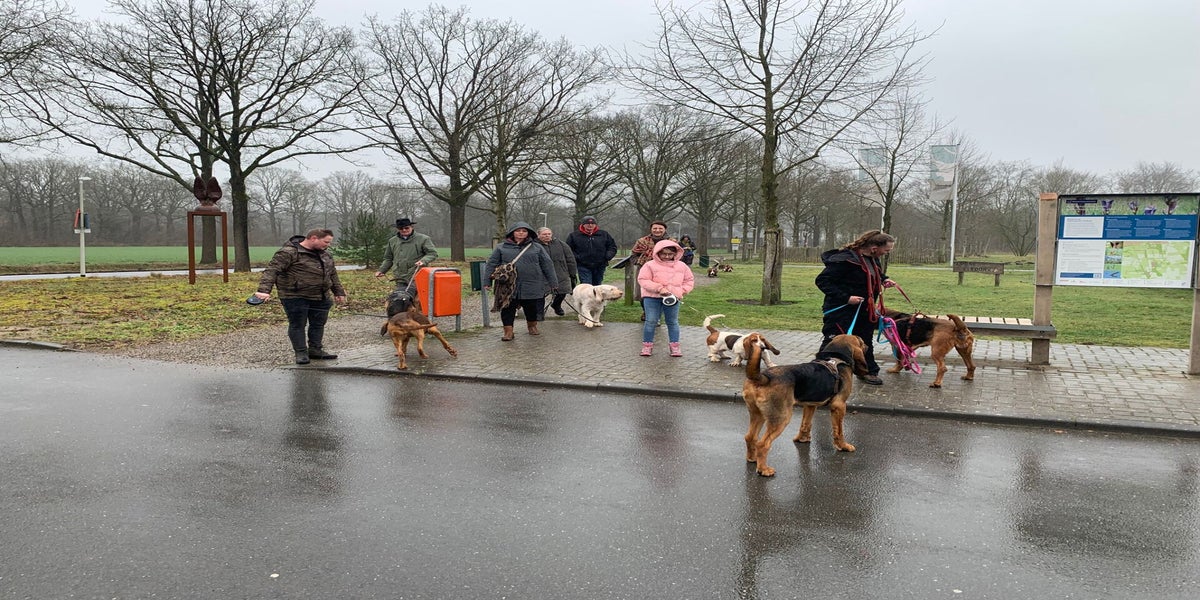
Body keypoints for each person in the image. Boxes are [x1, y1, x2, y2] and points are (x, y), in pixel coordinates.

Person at [814, 230, 898, 385]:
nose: (887, 253)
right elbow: (822, 281)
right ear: (874, 248)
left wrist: (884, 280)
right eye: (886, 250)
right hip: (841, 311)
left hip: (865, 310)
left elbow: (875, 274)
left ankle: (866, 371)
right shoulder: (844, 260)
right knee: (834, 341)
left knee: (865, 341)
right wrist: (847, 298)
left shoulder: (873, 258)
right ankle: (820, 372)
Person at [254, 228, 348, 365]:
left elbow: (332, 274)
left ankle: (315, 350)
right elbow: (272, 271)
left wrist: (338, 292)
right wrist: (264, 290)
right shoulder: (289, 252)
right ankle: (301, 353)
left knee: (318, 324)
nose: (328, 245)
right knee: (298, 324)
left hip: (321, 296)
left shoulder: (325, 254)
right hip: (295, 296)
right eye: (326, 242)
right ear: (314, 238)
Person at [483, 222, 559, 341]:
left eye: (524, 231)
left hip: (532, 283)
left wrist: (553, 282)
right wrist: (487, 281)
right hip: (508, 284)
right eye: (518, 231)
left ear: (528, 233)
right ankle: (508, 331)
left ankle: (532, 326)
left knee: (531, 307)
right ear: (512, 233)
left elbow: (547, 265)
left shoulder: (537, 247)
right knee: (507, 307)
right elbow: (491, 264)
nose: (521, 233)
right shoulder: (501, 247)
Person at [636, 239, 695, 357]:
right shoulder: (649, 265)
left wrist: (681, 291)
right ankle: (647, 346)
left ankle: (675, 347)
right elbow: (643, 280)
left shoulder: (682, 266)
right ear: (658, 253)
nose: (667, 256)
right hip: (652, 297)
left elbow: (689, 280)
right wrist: (659, 288)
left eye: (670, 254)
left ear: (675, 253)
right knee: (651, 321)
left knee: (672, 322)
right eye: (664, 254)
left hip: (673, 298)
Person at [375, 217, 438, 291]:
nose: (404, 230)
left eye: (406, 228)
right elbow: (388, 258)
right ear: (398, 229)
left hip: (416, 275)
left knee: (413, 294)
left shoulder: (423, 239)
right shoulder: (392, 241)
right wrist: (382, 270)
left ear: (411, 227)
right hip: (399, 277)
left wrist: (423, 261)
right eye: (401, 228)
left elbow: (432, 253)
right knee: (401, 295)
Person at [631, 221, 672, 321]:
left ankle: (657, 316)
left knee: (661, 292)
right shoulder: (642, 241)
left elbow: (677, 255)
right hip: (645, 269)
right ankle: (647, 312)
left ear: (665, 229)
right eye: (655, 228)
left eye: (660, 228)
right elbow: (634, 254)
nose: (657, 230)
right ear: (651, 229)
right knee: (643, 293)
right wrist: (638, 262)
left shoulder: (671, 241)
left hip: (664, 270)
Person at [536, 226, 578, 317]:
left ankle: (556, 305)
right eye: (544, 234)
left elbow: (570, 258)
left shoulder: (561, 244)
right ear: (538, 235)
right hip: (541, 274)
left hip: (561, 272)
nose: (547, 236)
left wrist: (572, 272)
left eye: (549, 234)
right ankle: (539, 312)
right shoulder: (534, 245)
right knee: (540, 294)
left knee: (563, 291)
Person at [565, 215, 617, 286]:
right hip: (583, 265)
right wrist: (577, 257)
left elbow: (612, 246)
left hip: (600, 265)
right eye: (588, 223)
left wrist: (608, 256)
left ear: (595, 225)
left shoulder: (604, 234)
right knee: (586, 285)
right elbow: (568, 249)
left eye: (592, 223)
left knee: (597, 285)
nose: (590, 225)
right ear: (583, 225)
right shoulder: (574, 236)